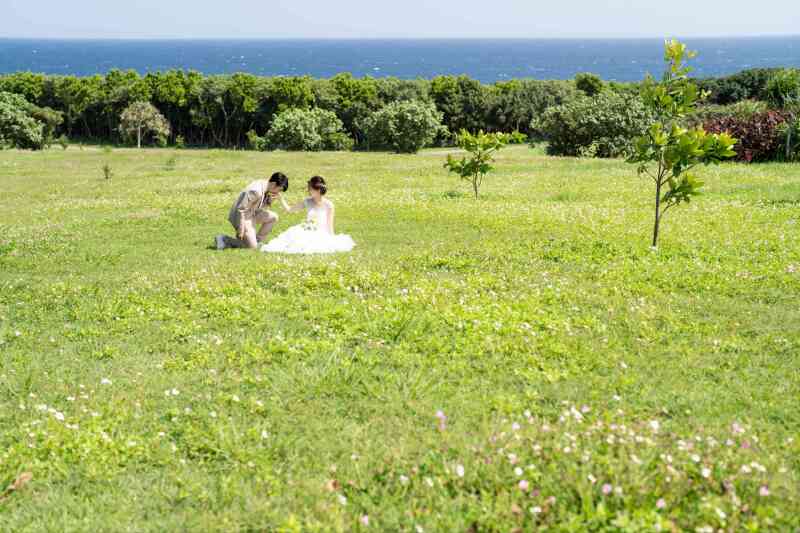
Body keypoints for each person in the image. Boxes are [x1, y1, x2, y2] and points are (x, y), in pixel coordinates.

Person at [261, 176, 355, 254]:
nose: (308, 191)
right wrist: (281, 199)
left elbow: (330, 225)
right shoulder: (307, 201)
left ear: (318, 190)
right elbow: (290, 209)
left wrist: (331, 238)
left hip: (321, 233)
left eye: (310, 189)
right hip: (307, 229)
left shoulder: (329, 205)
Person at [215, 172, 289, 250]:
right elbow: (241, 209)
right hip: (242, 217)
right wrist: (241, 228)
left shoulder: (266, 185)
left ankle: (257, 241)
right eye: (279, 189)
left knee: (274, 217)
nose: (278, 192)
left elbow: (258, 205)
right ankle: (224, 239)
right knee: (252, 247)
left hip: (251, 214)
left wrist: (269, 201)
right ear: (274, 184)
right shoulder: (256, 191)